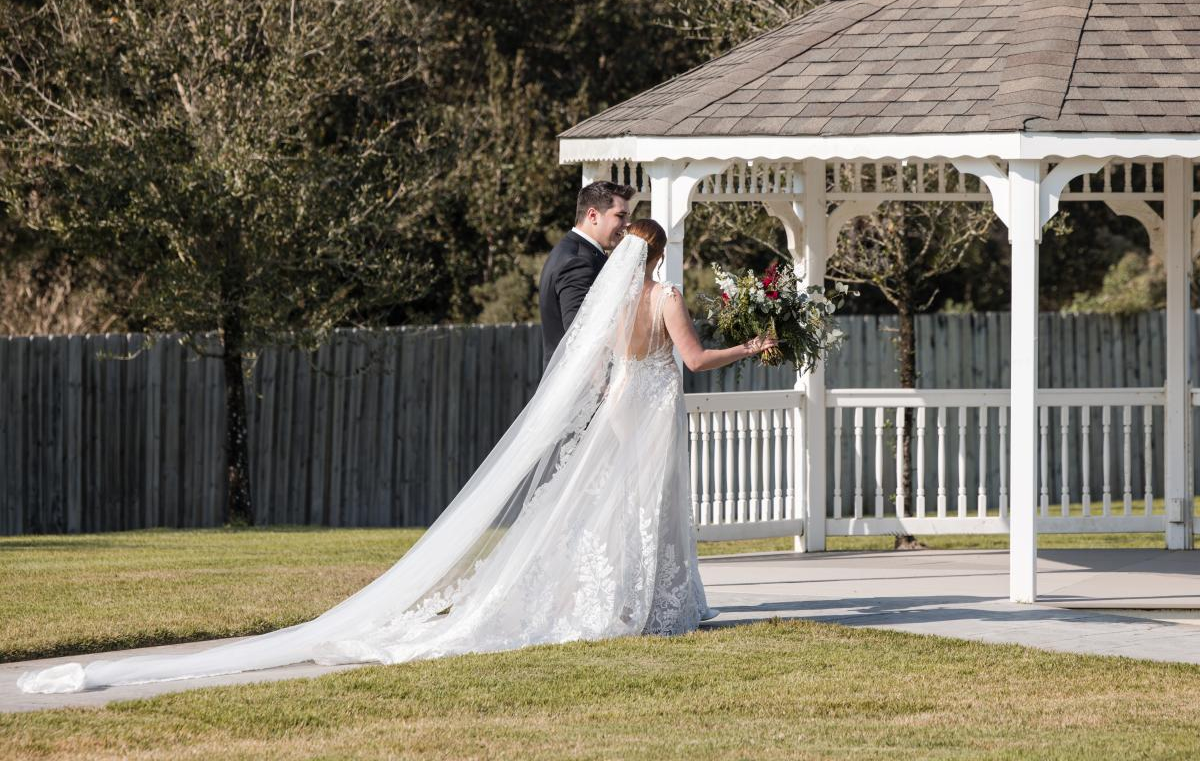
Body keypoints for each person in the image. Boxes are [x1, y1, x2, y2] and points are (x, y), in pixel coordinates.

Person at [18, 220, 776, 695]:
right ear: (663, 255)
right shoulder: (666, 296)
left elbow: (614, 365)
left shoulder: (615, 309)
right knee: (642, 508)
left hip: (619, 409)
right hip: (649, 416)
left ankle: (621, 605)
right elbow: (696, 361)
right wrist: (754, 344)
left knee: (605, 511)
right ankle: (648, 609)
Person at [538, 181, 633, 367]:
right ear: (592, 215)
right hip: (581, 388)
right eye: (620, 216)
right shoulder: (578, 262)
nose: (626, 224)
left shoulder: (574, 250)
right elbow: (580, 337)